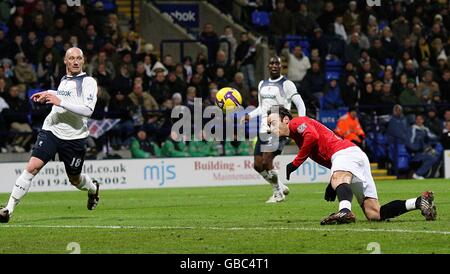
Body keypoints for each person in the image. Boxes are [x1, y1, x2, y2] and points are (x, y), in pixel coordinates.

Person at [267, 106, 436, 225]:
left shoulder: (297, 122)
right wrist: (332, 185)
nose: (270, 129)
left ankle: (345, 211)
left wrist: (295, 163)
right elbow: (327, 153)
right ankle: (419, 202)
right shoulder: (297, 136)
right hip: (352, 157)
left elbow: (312, 137)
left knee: (339, 178)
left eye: (272, 123)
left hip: (345, 153)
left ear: (286, 119)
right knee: (374, 214)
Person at [0, 47, 100, 223]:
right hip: (51, 130)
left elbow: (87, 110)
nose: (75, 61)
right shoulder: (64, 79)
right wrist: (49, 93)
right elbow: (65, 96)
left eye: (79, 58)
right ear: (65, 61)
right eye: (72, 58)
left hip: (74, 138)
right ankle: (8, 209)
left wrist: (59, 100)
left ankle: (93, 189)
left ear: (83, 61)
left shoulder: (88, 82)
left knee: (75, 180)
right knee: (32, 168)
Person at [241, 56, 306, 203]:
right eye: (271, 63)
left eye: (277, 63)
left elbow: (300, 104)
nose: (274, 65)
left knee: (267, 160)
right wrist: (249, 116)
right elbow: (261, 107)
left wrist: (301, 122)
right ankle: (280, 186)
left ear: (281, 66)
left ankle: (278, 193)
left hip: (280, 129)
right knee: (258, 165)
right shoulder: (262, 84)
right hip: (264, 128)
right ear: (268, 66)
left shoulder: (287, 84)